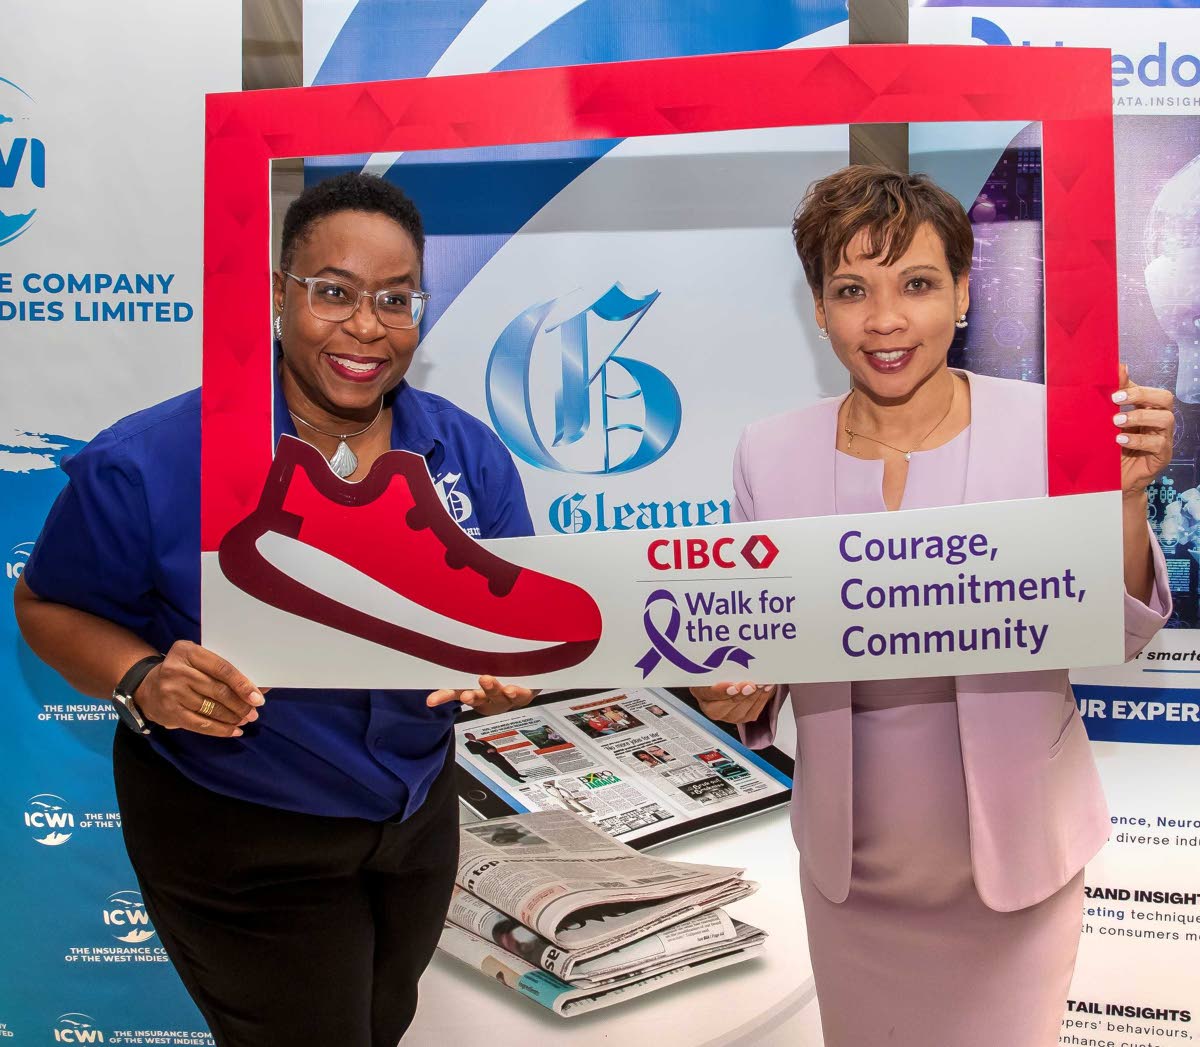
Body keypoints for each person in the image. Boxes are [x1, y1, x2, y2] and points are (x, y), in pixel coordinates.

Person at [14, 173, 538, 1047]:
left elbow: (516, 617)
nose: (366, 326)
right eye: (332, 292)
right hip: (241, 824)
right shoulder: (153, 461)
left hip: (413, 818)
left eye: (394, 298)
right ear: (276, 295)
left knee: (381, 1023)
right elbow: (45, 603)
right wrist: (143, 676)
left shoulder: (466, 452)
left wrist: (507, 672)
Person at [690, 165, 1173, 1047]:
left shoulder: (1052, 426)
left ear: (960, 296)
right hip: (854, 872)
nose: (884, 319)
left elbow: (1116, 627)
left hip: (1017, 863)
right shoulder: (769, 453)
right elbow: (749, 654)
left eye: (915, 284)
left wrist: (1126, 496)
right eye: (851, 290)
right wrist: (732, 691)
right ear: (819, 308)